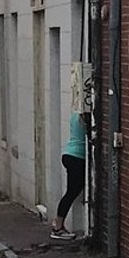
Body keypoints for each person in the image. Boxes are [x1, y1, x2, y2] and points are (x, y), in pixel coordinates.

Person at [49, 92, 86, 241]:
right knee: (72, 192)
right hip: (78, 156)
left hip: (69, 153)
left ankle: (58, 223)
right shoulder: (85, 117)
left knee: (72, 190)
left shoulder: (74, 115)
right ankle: (58, 226)